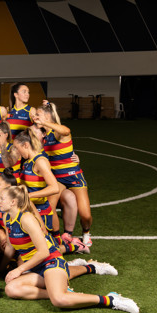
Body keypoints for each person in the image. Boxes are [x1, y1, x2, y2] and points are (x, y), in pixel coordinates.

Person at [0, 186, 139, 313]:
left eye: (2, 198)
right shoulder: (7, 218)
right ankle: (87, 269)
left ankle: (110, 299)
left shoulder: (26, 218)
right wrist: (0, 268)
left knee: (59, 300)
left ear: (13, 202)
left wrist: (18, 269)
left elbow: (44, 252)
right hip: (34, 266)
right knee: (11, 289)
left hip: (49, 260)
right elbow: (11, 246)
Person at [36, 102, 93, 246]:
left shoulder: (58, 132)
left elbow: (66, 131)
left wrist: (46, 121)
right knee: (49, 207)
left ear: (48, 117)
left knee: (86, 215)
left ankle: (86, 232)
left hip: (73, 175)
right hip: (57, 179)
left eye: (39, 114)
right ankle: (56, 236)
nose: (36, 117)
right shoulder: (43, 135)